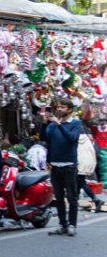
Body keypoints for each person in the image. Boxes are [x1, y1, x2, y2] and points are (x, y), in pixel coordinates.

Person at [43, 97, 83, 237]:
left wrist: (59, 124)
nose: (59, 109)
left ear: (70, 109)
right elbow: (45, 139)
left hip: (69, 165)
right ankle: (62, 225)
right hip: (55, 165)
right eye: (58, 107)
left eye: (62, 107)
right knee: (58, 198)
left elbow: (71, 139)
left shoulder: (76, 123)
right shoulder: (53, 125)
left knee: (72, 197)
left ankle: (72, 225)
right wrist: (44, 123)